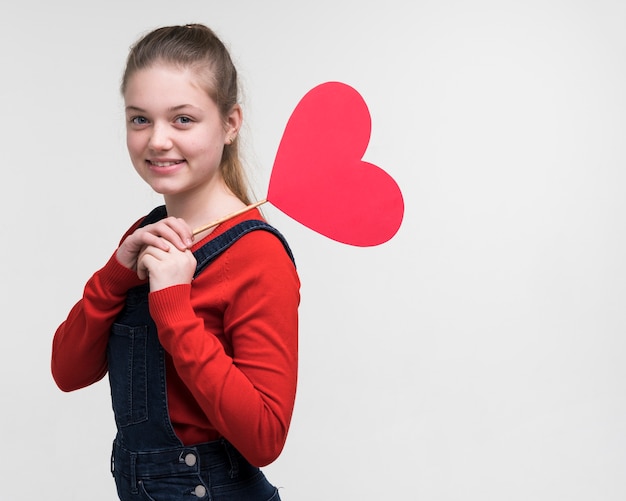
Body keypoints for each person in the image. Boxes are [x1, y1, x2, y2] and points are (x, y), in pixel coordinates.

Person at [51, 24, 299, 501]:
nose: (158, 141)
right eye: (140, 119)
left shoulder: (257, 254)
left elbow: (266, 436)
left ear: (230, 124)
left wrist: (174, 310)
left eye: (182, 119)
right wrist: (113, 278)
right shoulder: (145, 236)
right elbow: (68, 372)